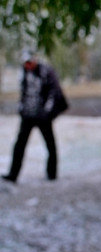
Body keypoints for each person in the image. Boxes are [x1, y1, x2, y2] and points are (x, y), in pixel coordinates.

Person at [2, 51, 68, 183]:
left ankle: (52, 174)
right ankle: (13, 174)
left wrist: (47, 112)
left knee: (50, 144)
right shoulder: (25, 72)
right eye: (25, 63)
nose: (28, 65)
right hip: (28, 115)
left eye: (29, 62)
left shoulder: (45, 71)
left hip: (43, 116)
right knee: (20, 145)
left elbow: (53, 92)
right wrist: (21, 108)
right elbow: (23, 92)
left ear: (35, 60)